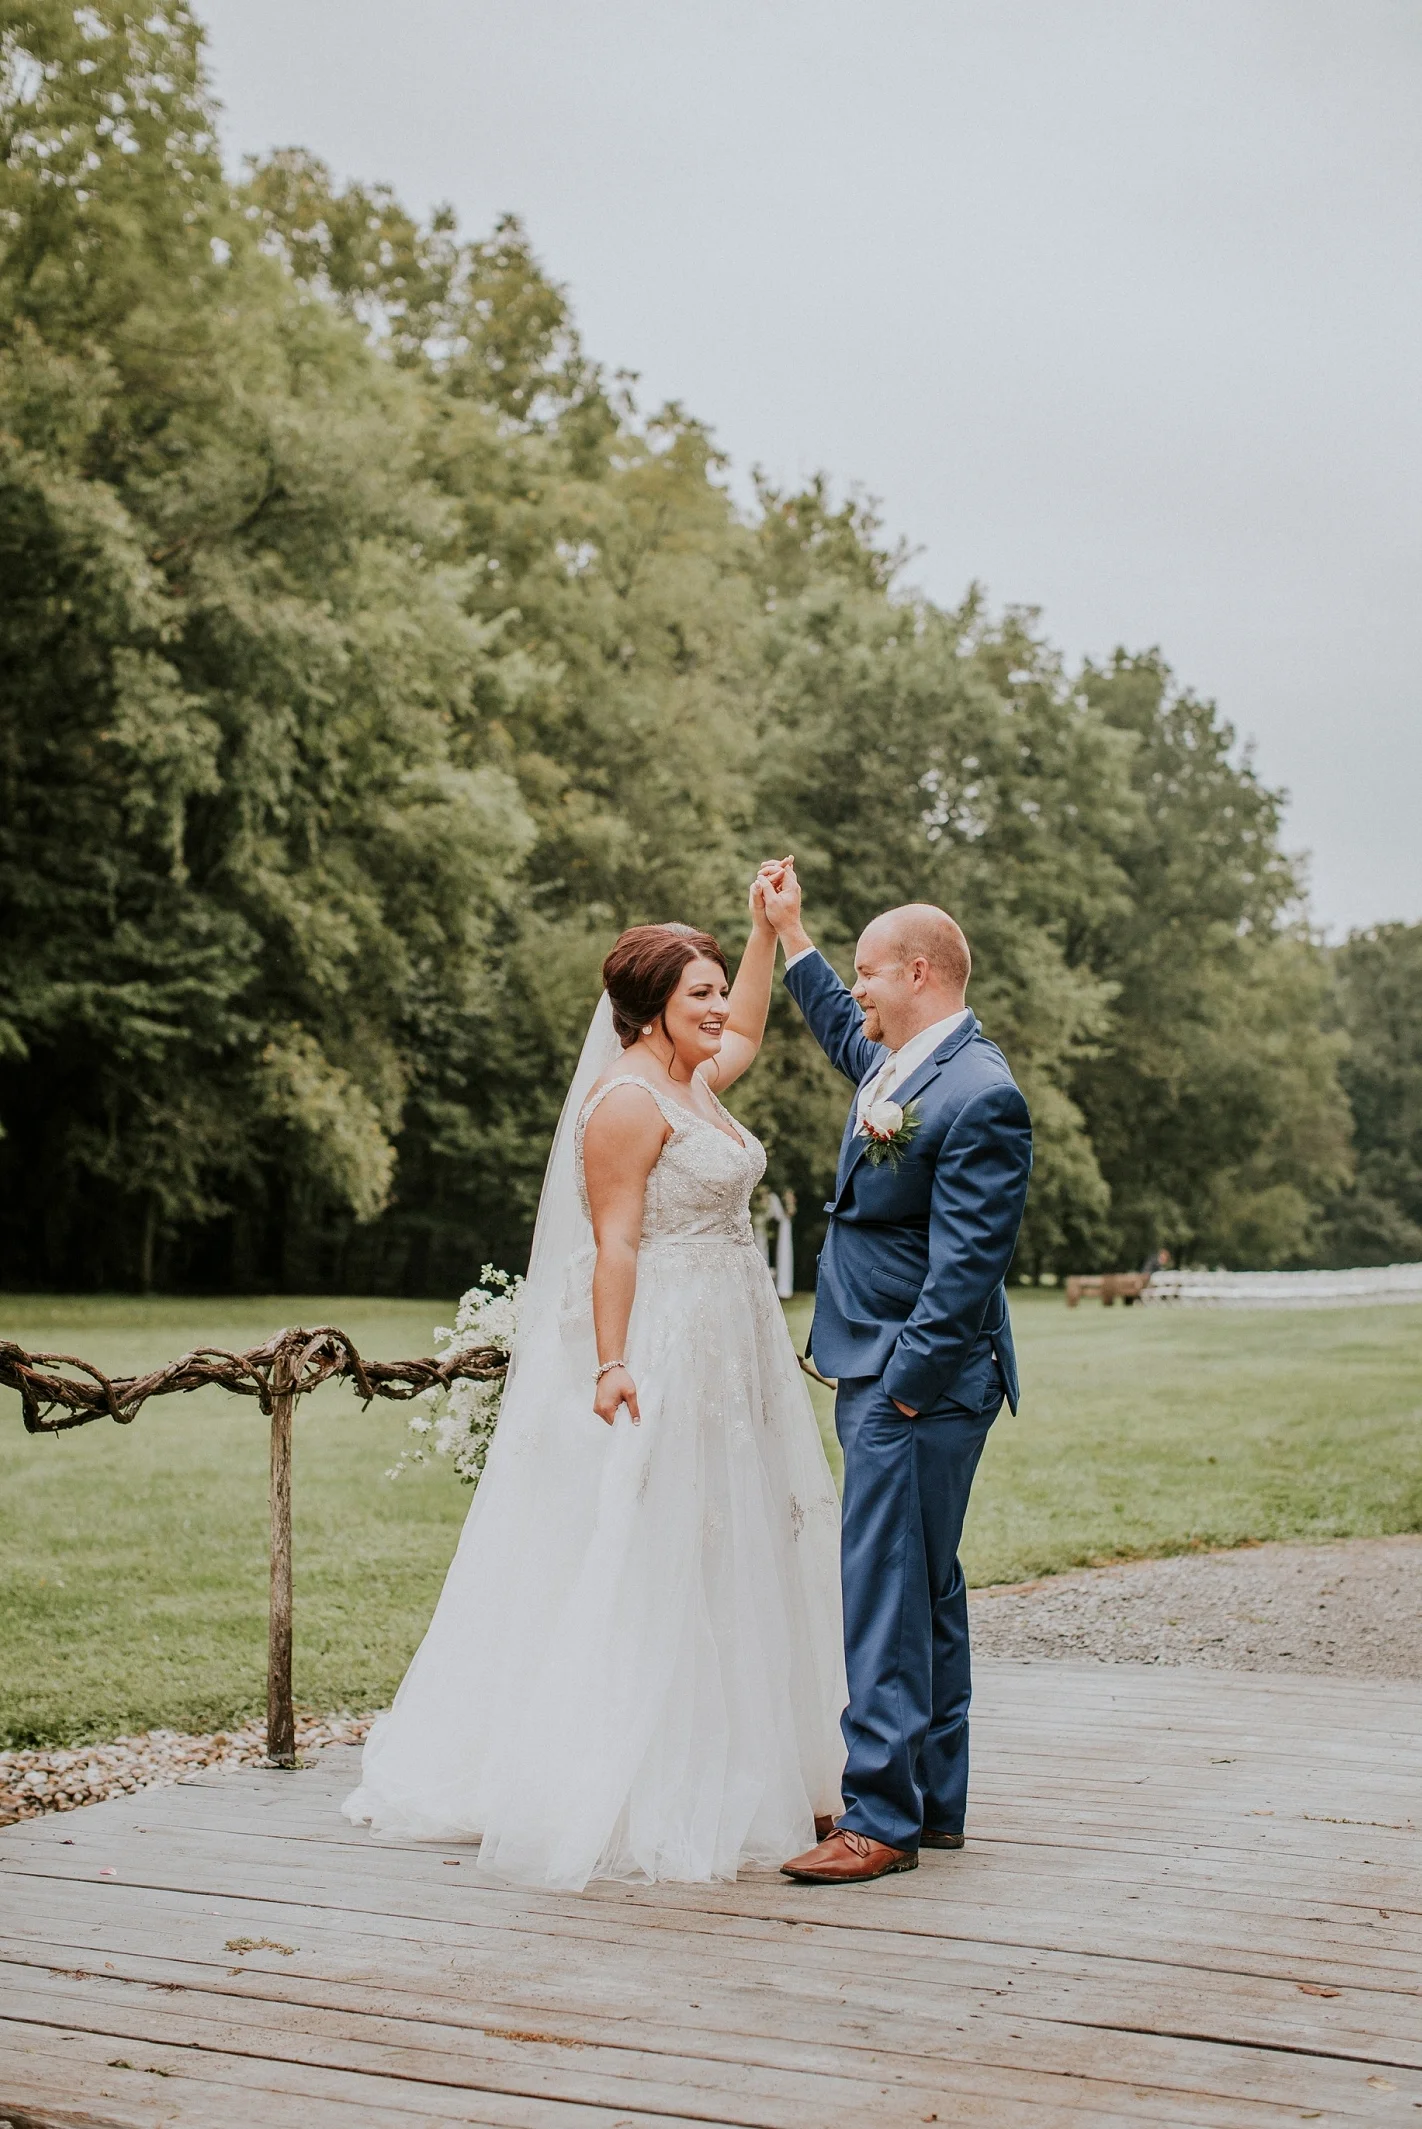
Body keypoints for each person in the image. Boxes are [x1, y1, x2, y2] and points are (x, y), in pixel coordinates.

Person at [343, 887, 846, 1890]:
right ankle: (641, 1772)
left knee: (739, 1534)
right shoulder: (625, 1100)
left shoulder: (695, 1077)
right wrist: (614, 1363)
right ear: (654, 1003)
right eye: (698, 992)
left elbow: (747, 1024)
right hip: (667, 1343)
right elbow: (614, 1241)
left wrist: (763, 929)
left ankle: (764, 1758)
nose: (718, 1008)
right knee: (663, 1535)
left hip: (731, 1339)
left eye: (715, 990)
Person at [759, 860, 1032, 1886]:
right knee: (926, 1585)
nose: (859, 991)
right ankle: (933, 1799)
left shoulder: (980, 1094)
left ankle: (878, 1816)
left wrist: (904, 1385)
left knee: (881, 1585)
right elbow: (841, 1027)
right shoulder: (905, 1062)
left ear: (919, 971)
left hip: (915, 1381)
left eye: (870, 972)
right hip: (901, 1375)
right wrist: (795, 937)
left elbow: (967, 1269)